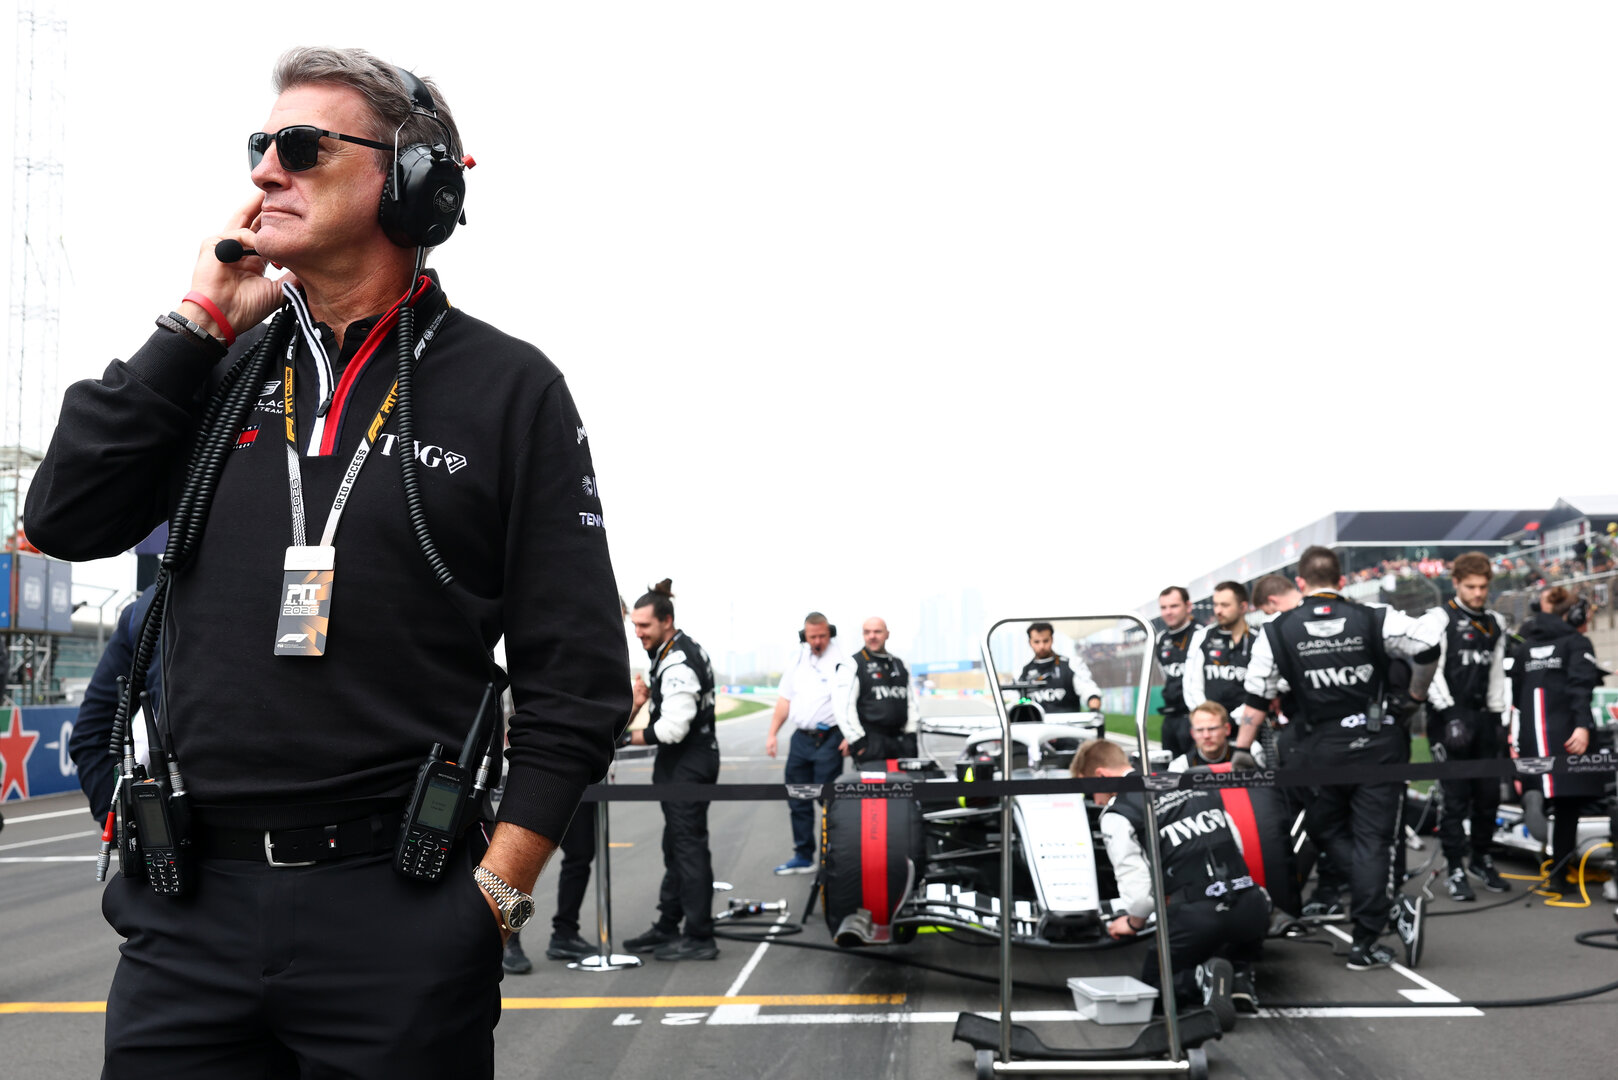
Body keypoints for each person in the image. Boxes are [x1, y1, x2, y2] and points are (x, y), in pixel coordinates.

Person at [24, 48, 628, 1078]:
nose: (265, 170)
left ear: (412, 179)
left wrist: (491, 899)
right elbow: (66, 513)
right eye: (259, 146)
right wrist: (198, 316)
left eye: (300, 147)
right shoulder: (209, 369)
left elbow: (576, 682)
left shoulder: (509, 388)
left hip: (398, 908)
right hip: (187, 918)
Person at [1239, 546, 1441, 971]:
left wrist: (1241, 747)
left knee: (1325, 828)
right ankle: (1367, 939)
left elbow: (1257, 695)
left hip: (1320, 748)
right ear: (1342, 580)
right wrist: (1416, 696)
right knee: (1372, 841)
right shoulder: (1373, 616)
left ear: (1300, 583)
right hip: (1378, 744)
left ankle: (1376, 917)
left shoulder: (1276, 631)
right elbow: (1428, 641)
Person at [1076, 738, 1268, 1030]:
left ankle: (1200, 978)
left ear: (1101, 775)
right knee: (1229, 929)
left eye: (1089, 789)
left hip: (1198, 917)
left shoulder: (1118, 813)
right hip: (1253, 907)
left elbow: (1140, 897)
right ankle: (1240, 974)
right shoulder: (1187, 781)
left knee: (1151, 992)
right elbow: (1237, 845)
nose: (1093, 799)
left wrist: (1133, 923)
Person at [623, 581, 721, 961]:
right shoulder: (671, 650)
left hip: (688, 762)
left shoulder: (678, 660)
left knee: (688, 849)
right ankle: (669, 924)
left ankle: (698, 937)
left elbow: (672, 729)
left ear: (667, 621)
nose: (638, 633)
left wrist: (626, 739)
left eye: (644, 626)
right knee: (675, 847)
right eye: (635, 625)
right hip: (684, 762)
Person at [1512, 589, 1611, 896]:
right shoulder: (1577, 642)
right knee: (1569, 805)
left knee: (1545, 789)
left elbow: (1515, 694)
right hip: (1568, 732)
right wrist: (1582, 726)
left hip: (1531, 733)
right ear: (1574, 615)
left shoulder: (1525, 647)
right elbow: (1580, 689)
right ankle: (1558, 874)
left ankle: (1534, 796)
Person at [1427, 553, 1510, 901]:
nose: (1478, 593)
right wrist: (1449, 714)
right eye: (1470, 586)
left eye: (1483, 586)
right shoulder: (1438, 618)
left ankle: (1481, 858)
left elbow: (1496, 673)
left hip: (1483, 718)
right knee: (1456, 799)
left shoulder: (1496, 622)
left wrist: (1498, 717)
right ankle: (1455, 867)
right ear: (1456, 583)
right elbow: (1429, 670)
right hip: (1449, 716)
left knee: (1489, 796)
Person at [69, 586, 160, 823]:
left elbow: (90, 735)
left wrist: (125, 826)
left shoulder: (146, 607)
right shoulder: (145, 610)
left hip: (184, 842)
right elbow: (92, 736)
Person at [766, 612, 847, 873]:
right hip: (801, 740)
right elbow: (784, 700)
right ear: (805, 636)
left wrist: (849, 735)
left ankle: (832, 855)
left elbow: (852, 702)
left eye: (822, 635)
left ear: (830, 633)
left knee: (827, 800)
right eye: (812, 636)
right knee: (797, 798)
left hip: (830, 739)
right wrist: (772, 734)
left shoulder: (843, 661)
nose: (817, 641)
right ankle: (803, 856)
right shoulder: (797, 660)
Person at [834, 616, 920, 766]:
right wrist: (858, 742)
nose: (872, 636)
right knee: (874, 788)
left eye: (877, 632)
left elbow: (912, 703)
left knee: (906, 788)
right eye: (867, 632)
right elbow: (844, 708)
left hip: (901, 742)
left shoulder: (901, 664)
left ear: (887, 634)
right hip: (871, 743)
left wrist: (911, 735)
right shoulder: (852, 664)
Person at [1182, 581, 1258, 733]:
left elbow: (1260, 689)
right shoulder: (1202, 636)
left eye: (1225, 605)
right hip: (1210, 729)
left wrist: (1234, 718)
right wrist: (1211, 720)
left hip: (1248, 726)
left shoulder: (1259, 639)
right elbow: (1192, 685)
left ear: (1243, 607)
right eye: (1215, 605)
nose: (1218, 610)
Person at [1017, 622, 1103, 714]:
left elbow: (1088, 689)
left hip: (1067, 726)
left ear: (1052, 639)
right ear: (1030, 642)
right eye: (1036, 642)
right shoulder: (1022, 672)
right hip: (1035, 726)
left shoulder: (1072, 665)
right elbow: (1015, 700)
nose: (1041, 646)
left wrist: (1094, 708)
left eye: (1046, 641)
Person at [1155, 587, 1199, 759]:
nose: (1168, 612)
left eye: (1174, 606)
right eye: (1163, 607)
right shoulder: (1161, 639)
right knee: (1170, 772)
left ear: (1188, 606)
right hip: (1170, 718)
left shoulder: (1203, 634)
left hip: (1195, 717)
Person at [1167, 703, 1263, 772]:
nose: (1206, 736)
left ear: (1227, 729)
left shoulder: (1251, 752)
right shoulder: (1181, 766)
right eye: (1200, 730)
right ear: (1193, 734)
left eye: (1212, 729)